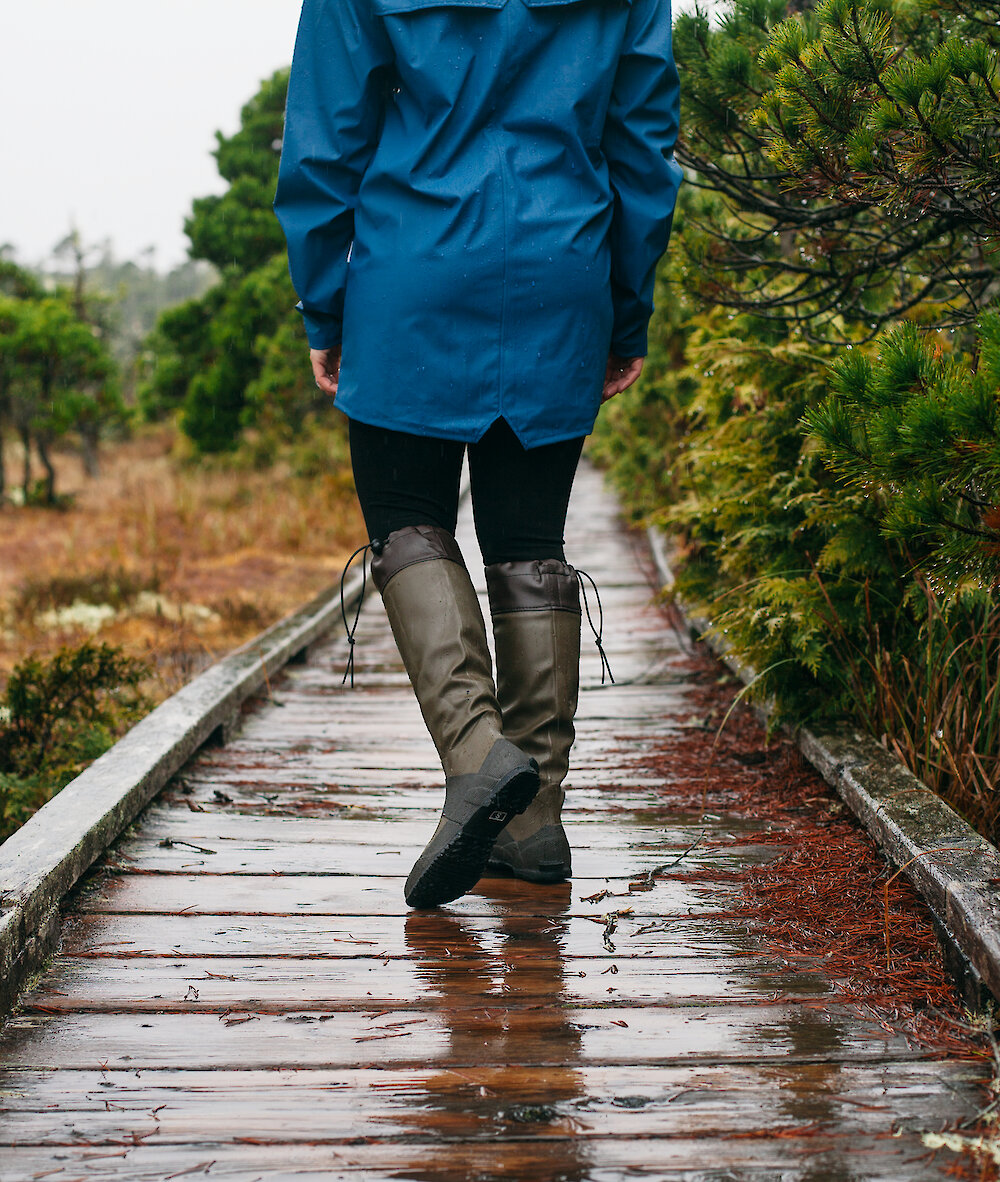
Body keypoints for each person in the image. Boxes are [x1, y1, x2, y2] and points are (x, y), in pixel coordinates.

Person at [274, 0, 681, 909]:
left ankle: (476, 756)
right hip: (559, 268)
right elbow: (644, 147)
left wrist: (322, 302)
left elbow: (323, 140)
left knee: (406, 520)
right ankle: (534, 824)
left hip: (409, 272)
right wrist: (625, 305)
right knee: (529, 538)